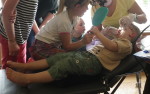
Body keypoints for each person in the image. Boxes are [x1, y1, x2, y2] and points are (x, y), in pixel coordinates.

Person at [6, 22, 141, 85]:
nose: (120, 29)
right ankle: (24, 67)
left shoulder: (127, 45)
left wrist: (99, 33)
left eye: (123, 28)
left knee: (66, 64)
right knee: (59, 57)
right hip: (88, 57)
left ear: (132, 34)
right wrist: (99, 34)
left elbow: (111, 46)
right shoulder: (117, 39)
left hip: (95, 64)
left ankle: (27, 79)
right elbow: (104, 43)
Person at [29, 0, 93, 60]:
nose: (87, 9)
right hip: (40, 48)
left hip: (49, 46)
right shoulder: (64, 20)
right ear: (77, 6)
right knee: (69, 59)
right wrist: (83, 42)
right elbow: (67, 47)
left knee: (73, 55)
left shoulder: (74, 18)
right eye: (86, 6)